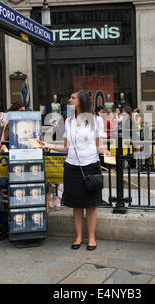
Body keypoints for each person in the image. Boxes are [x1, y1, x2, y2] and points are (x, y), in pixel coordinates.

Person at [38, 90, 110, 251]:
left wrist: (106, 151)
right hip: (72, 167)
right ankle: (78, 236)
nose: (69, 99)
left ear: (81, 100)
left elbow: (99, 145)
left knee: (91, 205)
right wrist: (48, 145)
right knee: (77, 205)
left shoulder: (96, 120)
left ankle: (91, 237)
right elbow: (66, 147)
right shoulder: (68, 121)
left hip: (91, 165)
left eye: (72, 97)